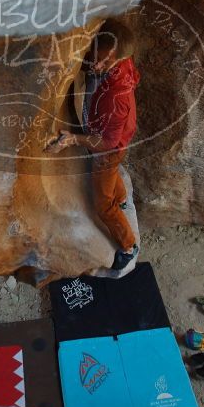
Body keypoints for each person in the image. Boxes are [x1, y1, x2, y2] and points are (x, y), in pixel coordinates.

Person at [45, 19, 140, 270]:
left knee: (102, 204)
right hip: (117, 139)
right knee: (111, 177)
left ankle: (128, 246)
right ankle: (120, 198)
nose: (97, 65)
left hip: (109, 148)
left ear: (119, 59)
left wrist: (74, 139)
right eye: (96, 56)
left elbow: (106, 142)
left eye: (105, 62)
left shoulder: (115, 98)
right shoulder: (122, 64)